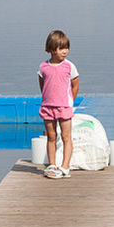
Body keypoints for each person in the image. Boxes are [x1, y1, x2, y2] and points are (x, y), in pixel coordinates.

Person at [38, 30, 79, 179]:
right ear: (51, 49)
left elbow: (75, 85)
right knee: (51, 136)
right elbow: (43, 86)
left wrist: (69, 101)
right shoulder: (43, 67)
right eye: (61, 48)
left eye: (66, 48)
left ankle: (65, 166)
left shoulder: (69, 66)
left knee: (66, 137)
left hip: (64, 107)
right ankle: (52, 164)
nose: (65, 51)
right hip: (48, 107)